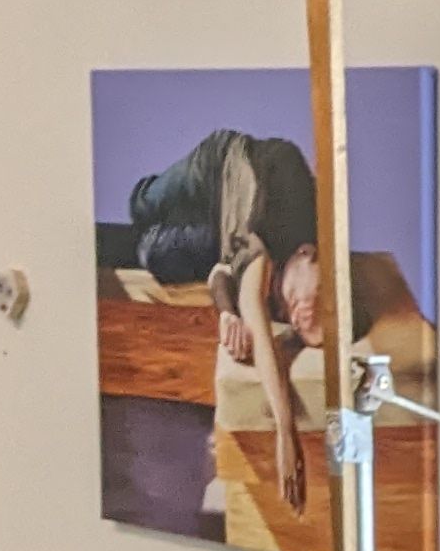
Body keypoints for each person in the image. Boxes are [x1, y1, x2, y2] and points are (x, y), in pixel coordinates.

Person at [123, 126, 323, 511]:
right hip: (216, 165)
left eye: (299, 326)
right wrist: (286, 433)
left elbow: (220, 274)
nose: (294, 317)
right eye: (304, 305)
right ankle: (148, 197)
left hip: (222, 226)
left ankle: (152, 244)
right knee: (144, 205)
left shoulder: (287, 266)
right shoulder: (273, 229)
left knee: (153, 255)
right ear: (307, 254)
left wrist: (226, 311)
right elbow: (260, 329)